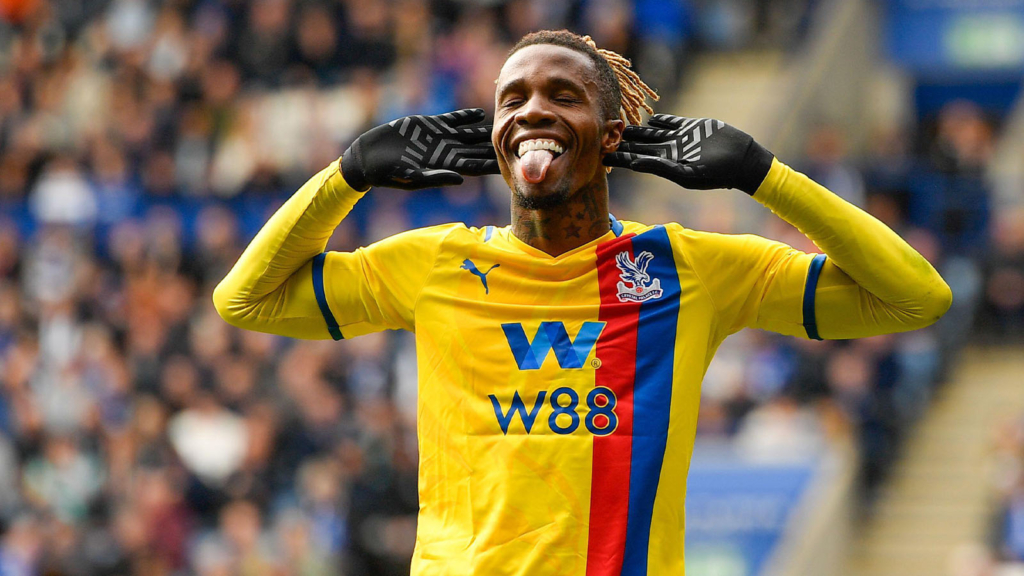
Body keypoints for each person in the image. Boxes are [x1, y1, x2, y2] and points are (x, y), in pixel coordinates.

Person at [214, 30, 951, 576]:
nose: (534, 111)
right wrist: (349, 174)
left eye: (564, 97)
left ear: (612, 139)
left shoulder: (688, 267)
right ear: (495, 140)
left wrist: (763, 174)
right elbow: (246, 300)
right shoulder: (433, 262)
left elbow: (914, 298)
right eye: (514, 100)